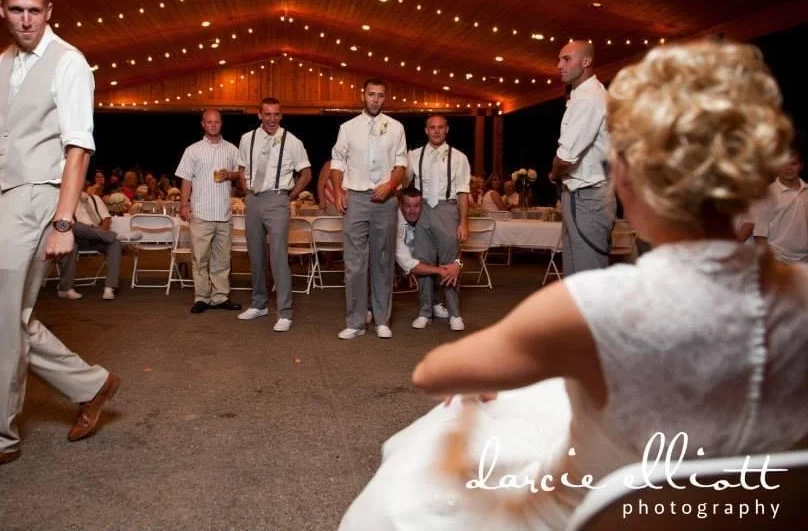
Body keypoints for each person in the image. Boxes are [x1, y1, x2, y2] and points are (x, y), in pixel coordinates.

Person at [340, 41, 808, 529]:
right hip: (750, 512)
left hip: (599, 515)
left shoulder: (593, 302)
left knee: (429, 459)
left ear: (630, 179)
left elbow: (434, 373)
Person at [0, 0, 119, 483]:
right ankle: (91, 384)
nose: (26, 20)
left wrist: (63, 221)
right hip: (4, 200)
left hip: (41, 196)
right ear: (1, 10)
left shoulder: (69, 62)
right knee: (1, 317)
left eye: (34, 10)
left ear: (49, 11)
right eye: (16, 10)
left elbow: (78, 148)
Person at [331, 78, 408, 339]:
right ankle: (355, 322)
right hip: (356, 199)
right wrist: (339, 191)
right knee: (354, 263)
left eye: (380, 95)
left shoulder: (396, 127)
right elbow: (337, 162)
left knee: (383, 260)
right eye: (371, 94)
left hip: (385, 199)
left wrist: (390, 185)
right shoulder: (348, 128)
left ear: (385, 98)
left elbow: (401, 164)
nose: (375, 99)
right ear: (362, 95)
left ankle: (382, 319)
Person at [235, 98, 312, 332]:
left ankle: (284, 312)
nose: (271, 119)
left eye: (276, 114)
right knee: (255, 255)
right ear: (259, 114)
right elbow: (241, 168)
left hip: (278, 198)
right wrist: (247, 192)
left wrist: (289, 196)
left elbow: (306, 174)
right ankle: (259, 304)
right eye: (267, 114)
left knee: (278, 258)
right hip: (253, 199)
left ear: (281, 115)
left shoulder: (293, 141)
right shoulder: (247, 139)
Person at [549, 41, 615, 275]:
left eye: (566, 59)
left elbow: (565, 158)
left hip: (589, 196)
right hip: (581, 195)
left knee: (587, 278)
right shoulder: (582, 95)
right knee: (576, 278)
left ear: (586, 61)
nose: (559, 65)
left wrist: (554, 175)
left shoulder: (589, 97)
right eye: (559, 59)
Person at [406, 116, 470, 331]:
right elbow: (403, 185)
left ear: (447, 130)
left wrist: (463, 223)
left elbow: (463, 192)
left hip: (447, 208)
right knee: (423, 260)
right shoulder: (413, 156)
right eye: (432, 128)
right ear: (426, 131)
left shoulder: (459, 157)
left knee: (450, 261)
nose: (436, 131)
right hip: (423, 208)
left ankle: (454, 313)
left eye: (440, 127)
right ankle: (425, 311)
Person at [176, 109, 242, 314]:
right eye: (209, 122)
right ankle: (202, 298)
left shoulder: (231, 149)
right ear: (203, 124)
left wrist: (230, 174)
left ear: (221, 124)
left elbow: (241, 174)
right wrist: (184, 204)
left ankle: (220, 297)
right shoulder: (192, 150)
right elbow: (186, 179)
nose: (213, 125)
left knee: (222, 259)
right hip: (201, 212)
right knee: (200, 258)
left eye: (217, 122)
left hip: (223, 213)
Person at [395, 187, 463, 322]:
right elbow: (410, 264)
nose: (412, 211)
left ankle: (435, 302)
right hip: (390, 260)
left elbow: (454, 246)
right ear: (401, 206)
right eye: (408, 206)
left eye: (416, 206)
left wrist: (457, 264)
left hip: (419, 257)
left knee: (438, 254)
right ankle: (369, 307)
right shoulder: (395, 224)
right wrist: (442, 271)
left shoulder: (431, 219)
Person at [56, 185, 122, 300]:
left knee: (114, 244)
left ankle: (109, 287)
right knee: (77, 227)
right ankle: (65, 289)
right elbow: (60, 224)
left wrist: (98, 232)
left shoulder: (95, 198)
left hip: (96, 235)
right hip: (74, 237)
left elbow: (106, 219)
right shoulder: (61, 200)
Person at [751, 148, 807, 263]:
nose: (788, 168)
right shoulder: (767, 194)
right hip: (777, 259)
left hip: (805, 260)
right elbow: (760, 234)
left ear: (801, 166)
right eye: (783, 164)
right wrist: (768, 263)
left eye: (793, 164)